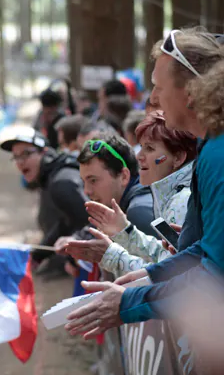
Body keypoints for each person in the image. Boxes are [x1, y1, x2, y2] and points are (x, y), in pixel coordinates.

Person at [64, 28, 224, 340]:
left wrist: (128, 303)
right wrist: (149, 276)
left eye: (159, 87)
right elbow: (205, 249)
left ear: (190, 92)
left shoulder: (218, 155)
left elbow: (214, 275)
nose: (152, 98)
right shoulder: (211, 147)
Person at [71, 112, 196, 277]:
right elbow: (165, 256)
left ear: (178, 157)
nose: (139, 156)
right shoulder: (174, 196)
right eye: (141, 146)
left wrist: (111, 256)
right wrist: (125, 231)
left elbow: (170, 275)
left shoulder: (180, 201)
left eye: (149, 148)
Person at [0, 126, 88, 278]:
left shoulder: (61, 182)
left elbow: (94, 221)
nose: (20, 162)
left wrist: (73, 257)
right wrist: (38, 254)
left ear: (45, 152)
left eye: (26, 154)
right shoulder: (55, 177)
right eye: (16, 157)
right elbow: (67, 221)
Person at [61, 133, 158, 263]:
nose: (86, 191)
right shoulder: (128, 204)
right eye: (84, 181)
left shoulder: (138, 211)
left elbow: (163, 273)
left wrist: (110, 258)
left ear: (124, 176)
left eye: (93, 180)